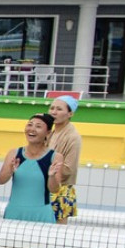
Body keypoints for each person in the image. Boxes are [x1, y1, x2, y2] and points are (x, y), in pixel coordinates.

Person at [0, 114, 61, 223]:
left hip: (41, 215)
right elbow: (0, 180)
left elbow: (54, 189)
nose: (32, 129)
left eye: (38, 126)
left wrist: (51, 176)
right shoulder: (14, 153)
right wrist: (9, 170)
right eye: (30, 125)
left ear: (48, 133)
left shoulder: (55, 157)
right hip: (14, 212)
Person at [47, 95, 81, 224]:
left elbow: (69, 168)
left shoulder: (73, 137)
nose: (53, 112)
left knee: (57, 236)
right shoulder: (52, 132)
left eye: (59, 109)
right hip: (47, 186)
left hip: (60, 189)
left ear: (70, 113)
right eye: (52, 108)